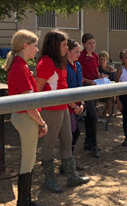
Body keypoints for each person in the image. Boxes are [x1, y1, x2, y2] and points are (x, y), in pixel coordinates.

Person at [36, 29, 90, 193]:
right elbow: (38, 90)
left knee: (67, 140)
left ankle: (72, 176)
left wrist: (73, 106)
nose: (67, 48)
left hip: (64, 108)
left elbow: (63, 87)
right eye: (64, 45)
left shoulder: (61, 62)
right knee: (49, 144)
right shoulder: (46, 62)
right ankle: (49, 179)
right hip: (51, 110)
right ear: (54, 46)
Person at [3, 30, 48, 206]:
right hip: (25, 118)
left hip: (24, 117)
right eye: (35, 45)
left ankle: (27, 203)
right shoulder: (20, 68)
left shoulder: (20, 65)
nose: (37, 49)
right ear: (25, 46)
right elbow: (29, 103)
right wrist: (42, 122)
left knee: (29, 161)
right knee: (27, 162)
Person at [62, 38, 86, 173]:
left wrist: (81, 103)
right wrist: (73, 106)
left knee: (74, 133)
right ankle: (67, 163)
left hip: (76, 104)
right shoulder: (64, 66)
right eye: (75, 51)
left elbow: (80, 86)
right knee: (73, 133)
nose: (78, 54)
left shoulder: (77, 66)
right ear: (68, 52)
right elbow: (63, 89)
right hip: (67, 106)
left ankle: (68, 162)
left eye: (79, 52)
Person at [78, 33, 101, 158]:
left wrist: (100, 77)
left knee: (89, 116)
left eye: (94, 43)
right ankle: (94, 145)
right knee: (93, 116)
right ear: (84, 44)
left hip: (95, 87)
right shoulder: (80, 57)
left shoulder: (95, 56)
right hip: (86, 88)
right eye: (90, 43)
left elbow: (95, 72)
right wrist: (88, 81)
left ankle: (88, 141)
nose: (92, 46)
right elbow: (79, 76)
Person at [98, 50, 116, 120]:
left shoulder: (110, 69)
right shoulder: (97, 69)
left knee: (110, 99)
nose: (102, 61)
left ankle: (105, 112)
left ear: (107, 60)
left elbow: (113, 81)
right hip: (99, 89)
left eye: (104, 59)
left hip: (108, 90)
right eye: (101, 59)